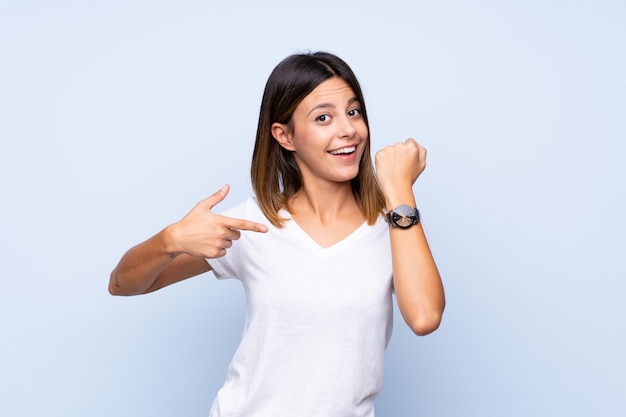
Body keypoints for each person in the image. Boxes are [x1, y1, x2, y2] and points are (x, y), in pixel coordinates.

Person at [109, 51, 445, 417]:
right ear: (285, 136)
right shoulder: (253, 225)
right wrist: (169, 240)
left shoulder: (395, 226)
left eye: (353, 111)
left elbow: (425, 317)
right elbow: (123, 285)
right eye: (323, 117)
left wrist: (399, 192)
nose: (347, 129)